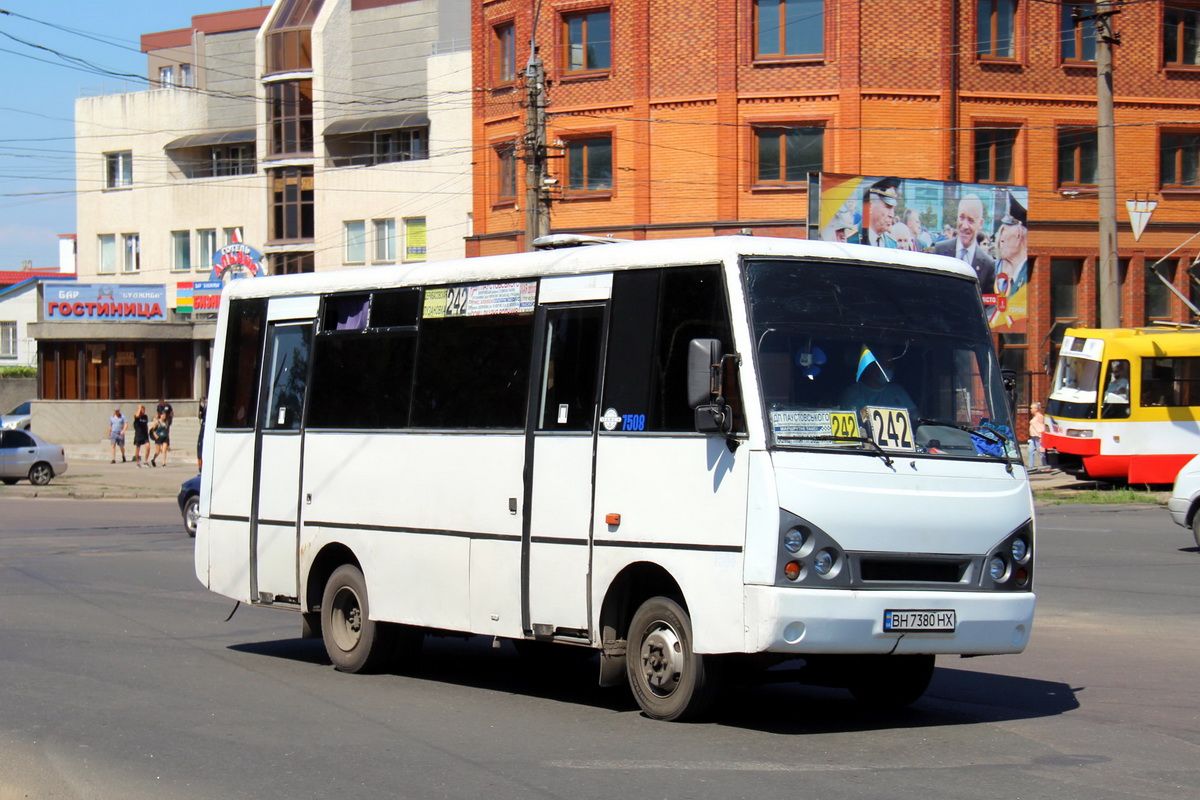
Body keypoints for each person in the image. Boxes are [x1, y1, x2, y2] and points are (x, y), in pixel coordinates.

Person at [933, 193, 996, 293]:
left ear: (980, 224)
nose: (965, 226)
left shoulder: (988, 265)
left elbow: (989, 304)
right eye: (961, 218)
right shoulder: (940, 251)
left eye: (971, 220)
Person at [839, 343, 918, 418]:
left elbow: (916, 417)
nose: (891, 367)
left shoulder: (897, 391)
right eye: (886, 363)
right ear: (872, 366)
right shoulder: (855, 393)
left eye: (891, 363)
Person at [859, 178, 900, 248]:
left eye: (893, 209)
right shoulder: (851, 239)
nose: (892, 215)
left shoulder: (892, 244)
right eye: (887, 207)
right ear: (870, 206)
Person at [1027, 402, 1045, 469]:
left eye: (1031, 408)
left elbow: (1041, 427)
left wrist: (1041, 437)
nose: (1030, 410)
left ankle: (1044, 465)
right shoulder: (1035, 417)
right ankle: (1031, 466)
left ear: (1036, 409)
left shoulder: (1039, 417)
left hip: (1038, 437)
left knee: (1040, 452)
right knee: (1030, 450)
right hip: (1033, 437)